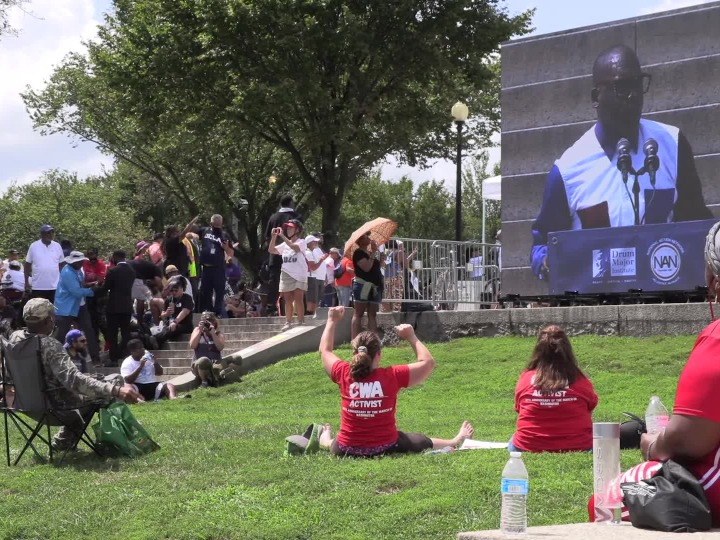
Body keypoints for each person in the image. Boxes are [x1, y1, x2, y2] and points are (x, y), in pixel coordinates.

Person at [530, 44, 711, 279]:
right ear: (596, 97)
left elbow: (696, 221)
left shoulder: (673, 144)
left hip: (667, 294)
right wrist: (547, 262)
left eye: (638, 84)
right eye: (622, 87)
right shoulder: (567, 170)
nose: (634, 95)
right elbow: (542, 244)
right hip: (596, 309)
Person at [317, 306, 474, 457]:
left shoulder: (343, 372)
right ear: (378, 354)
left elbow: (325, 351)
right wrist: (411, 336)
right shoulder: (392, 375)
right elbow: (428, 363)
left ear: (354, 353)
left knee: (336, 443)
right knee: (417, 439)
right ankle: (455, 440)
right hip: (386, 447)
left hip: (345, 449)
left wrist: (332, 320)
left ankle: (326, 440)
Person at [8, 299, 142, 450]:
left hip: (27, 405)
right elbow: (74, 380)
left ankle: (63, 442)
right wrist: (115, 390)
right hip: (56, 408)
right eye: (53, 316)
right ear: (48, 320)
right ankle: (110, 442)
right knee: (114, 382)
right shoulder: (50, 345)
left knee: (95, 387)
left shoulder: (14, 339)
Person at [510, 325, 598, 453]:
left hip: (527, 446)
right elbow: (589, 409)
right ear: (567, 350)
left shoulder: (525, 378)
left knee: (513, 440)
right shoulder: (580, 380)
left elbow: (520, 409)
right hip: (580, 446)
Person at [53, 251, 101, 366]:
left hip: (80, 305)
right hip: (66, 307)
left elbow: (81, 284)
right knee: (61, 334)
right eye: (78, 262)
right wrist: (93, 291)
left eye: (81, 261)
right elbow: (75, 291)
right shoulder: (67, 272)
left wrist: (90, 285)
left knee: (89, 330)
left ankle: (96, 358)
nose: (80, 263)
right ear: (72, 262)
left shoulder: (79, 270)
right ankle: (54, 359)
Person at [97, 250, 136, 366]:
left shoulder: (113, 271)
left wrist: (94, 290)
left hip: (113, 307)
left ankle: (114, 358)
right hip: (127, 306)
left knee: (112, 333)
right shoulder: (131, 271)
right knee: (125, 332)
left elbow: (105, 288)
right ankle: (127, 354)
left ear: (115, 258)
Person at [268, 219, 307, 331]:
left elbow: (295, 247)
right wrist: (274, 236)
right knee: (288, 299)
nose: (288, 230)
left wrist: (283, 236)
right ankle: (288, 322)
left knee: (298, 298)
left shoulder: (302, 242)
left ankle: (300, 321)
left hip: (299, 274)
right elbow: (271, 250)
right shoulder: (285, 244)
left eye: (291, 228)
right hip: (286, 273)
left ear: (297, 229)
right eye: (287, 228)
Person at [265, 194, 300, 316]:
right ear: (291, 203)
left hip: (275, 253)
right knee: (295, 279)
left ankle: (271, 308)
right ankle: (294, 309)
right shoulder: (295, 217)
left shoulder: (273, 217)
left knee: (274, 280)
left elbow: (267, 236)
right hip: (291, 253)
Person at [189, 311, 239, 388]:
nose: (207, 322)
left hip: (215, 364)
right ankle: (204, 382)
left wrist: (213, 334)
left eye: (209, 320)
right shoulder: (197, 330)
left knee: (236, 358)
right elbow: (192, 345)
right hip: (200, 365)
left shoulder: (218, 333)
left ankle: (222, 375)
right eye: (204, 320)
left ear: (214, 322)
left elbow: (220, 347)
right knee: (204, 360)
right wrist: (200, 330)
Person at [198, 214, 233, 315]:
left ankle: (217, 312)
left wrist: (225, 247)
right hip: (206, 267)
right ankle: (208, 311)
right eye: (215, 226)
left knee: (219, 291)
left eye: (219, 226)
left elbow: (231, 253)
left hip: (218, 268)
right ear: (211, 224)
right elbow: (195, 234)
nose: (217, 228)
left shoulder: (225, 235)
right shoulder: (205, 231)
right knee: (206, 290)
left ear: (222, 224)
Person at [351, 232, 383, 339]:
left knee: (372, 314)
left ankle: (373, 340)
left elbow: (377, 267)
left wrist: (381, 257)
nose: (369, 238)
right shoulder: (358, 253)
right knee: (358, 314)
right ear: (360, 240)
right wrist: (374, 253)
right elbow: (367, 268)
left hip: (374, 287)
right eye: (366, 236)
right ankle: (354, 339)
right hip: (362, 286)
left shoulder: (369, 253)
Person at [24, 224, 64, 302]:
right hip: (38, 286)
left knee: (53, 311)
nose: (51, 235)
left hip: (55, 286)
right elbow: (27, 265)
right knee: (39, 311)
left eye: (52, 232)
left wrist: (62, 281)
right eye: (48, 233)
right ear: (42, 234)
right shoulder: (34, 246)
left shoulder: (57, 246)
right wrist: (26, 282)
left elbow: (62, 264)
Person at [156, 279, 194, 344]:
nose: (174, 292)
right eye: (172, 291)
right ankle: (154, 341)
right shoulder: (169, 299)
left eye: (176, 290)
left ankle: (155, 340)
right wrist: (166, 314)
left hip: (185, 325)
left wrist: (175, 322)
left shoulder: (187, 298)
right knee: (168, 329)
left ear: (182, 289)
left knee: (172, 328)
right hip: (171, 325)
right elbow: (162, 315)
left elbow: (185, 312)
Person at [305, 235, 329, 316]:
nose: (316, 243)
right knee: (311, 299)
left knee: (315, 299)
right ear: (310, 243)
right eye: (314, 241)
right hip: (311, 277)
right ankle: (310, 315)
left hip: (316, 277)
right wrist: (321, 260)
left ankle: (313, 315)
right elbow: (313, 267)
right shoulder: (308, 252)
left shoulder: (314, 251)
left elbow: (321, 265)